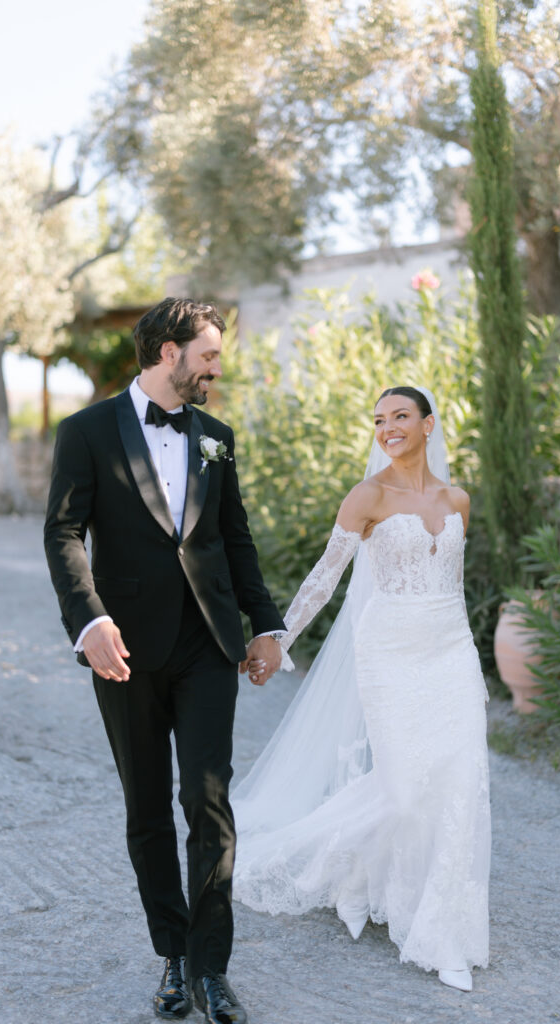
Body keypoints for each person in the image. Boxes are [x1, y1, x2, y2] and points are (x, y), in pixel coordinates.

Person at [44, 297, 286, 1024]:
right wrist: (89, 621)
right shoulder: (84, 431)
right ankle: (173, 958)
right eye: (207, 354)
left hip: (208, 644)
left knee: (208, 800)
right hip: (125, 648)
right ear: (167, 353)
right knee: (146, 807)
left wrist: (266, 624)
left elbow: (233, 539)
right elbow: (62, 532)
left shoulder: (217, 436)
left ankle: (213, 969)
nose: (217, 366)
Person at [233, 385, 490, 992]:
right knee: (403, 792)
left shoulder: (458, 499)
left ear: (429, 425)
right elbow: (325, 578)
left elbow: (449, 582)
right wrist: (279, 638)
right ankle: (349, 870)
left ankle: (444, 934)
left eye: (400, 416)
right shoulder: (367, 495)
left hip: (451, 651)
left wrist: (465, 656)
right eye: (379, 420)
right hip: (389, 652)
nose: (387, 427)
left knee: (457, 786)